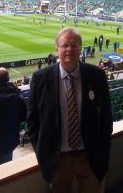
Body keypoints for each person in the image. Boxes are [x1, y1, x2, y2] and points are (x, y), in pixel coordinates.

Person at [27, 28, 113, 193]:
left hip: (90, 158)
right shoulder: (40, 78)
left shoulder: (97, 75)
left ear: (81, 48)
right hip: (58, 160)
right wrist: (42, 151)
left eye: (74, 45)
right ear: (56, 47)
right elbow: (32, 120)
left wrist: (102, 150)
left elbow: (106, 118)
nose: (69, 49)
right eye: (65, 45)